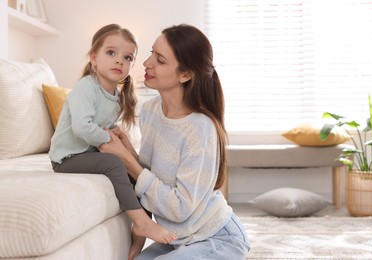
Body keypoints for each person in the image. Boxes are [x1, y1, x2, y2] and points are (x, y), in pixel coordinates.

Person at [99, 24, 250, 260]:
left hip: (216, 237)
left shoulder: (200, 129)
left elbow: (180, 208)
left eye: (160, 60)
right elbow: (151, 178)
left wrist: (128, 161)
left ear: (185, 74)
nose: (147, 63)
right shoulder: (150, 111)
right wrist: (130, 153)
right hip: (176, 240)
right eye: (151, 53)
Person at [48, 24, 177, 246]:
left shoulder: (116, 96)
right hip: (67, 157)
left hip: (86, 153)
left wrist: (114, 133)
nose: (119, 60)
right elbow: (82, 127)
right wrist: (109, 139)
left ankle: (141, 232)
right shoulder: (86, 87)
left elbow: (101, 124)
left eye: (127, 57)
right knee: (114, 164)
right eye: (111, 53)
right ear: (93, 58)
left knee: (139, 173)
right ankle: (140, 221)